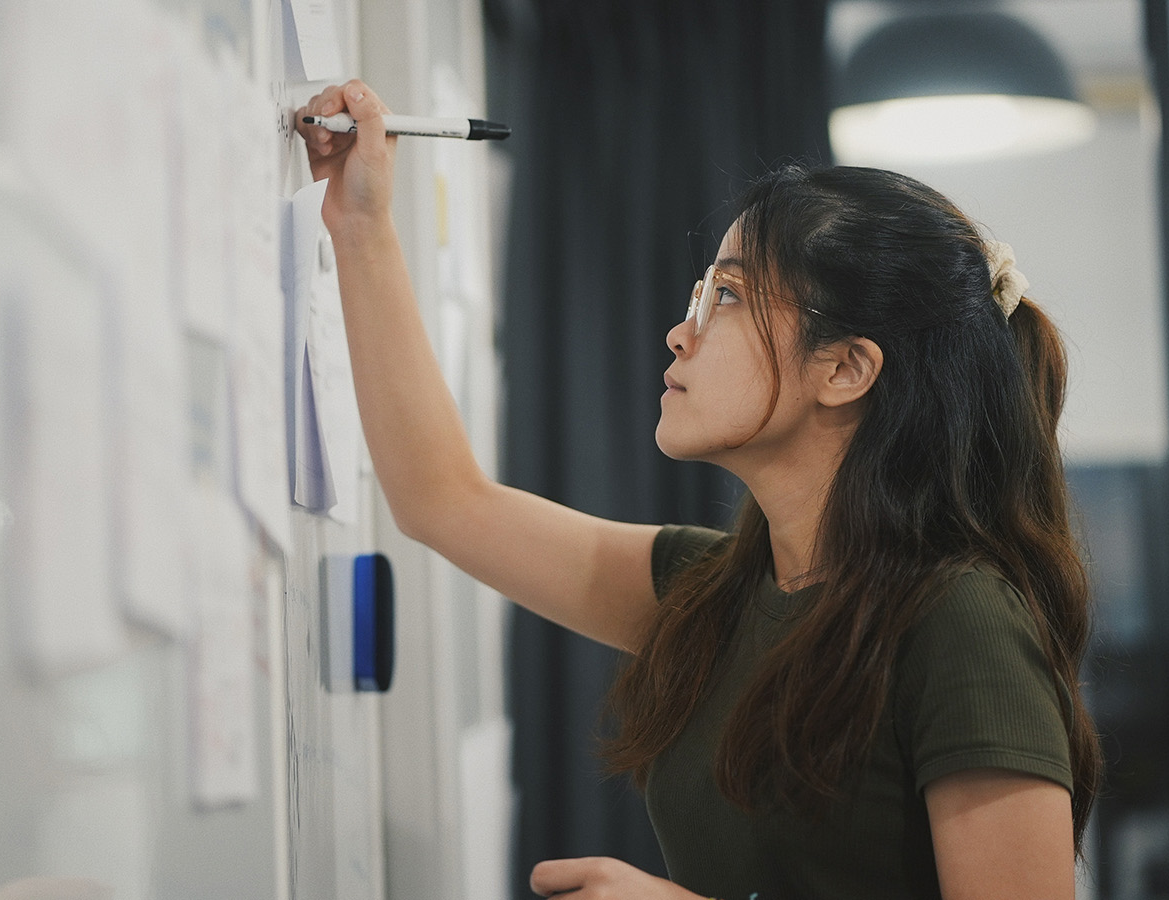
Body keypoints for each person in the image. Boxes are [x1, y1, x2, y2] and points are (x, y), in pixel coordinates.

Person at [296, 79, 1101, 900]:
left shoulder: (962, 618)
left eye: (727, 296)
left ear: (845, 368)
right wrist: (359, 226)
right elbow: (443, 500)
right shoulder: (713, 593)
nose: (682, 332)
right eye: (699, 295)